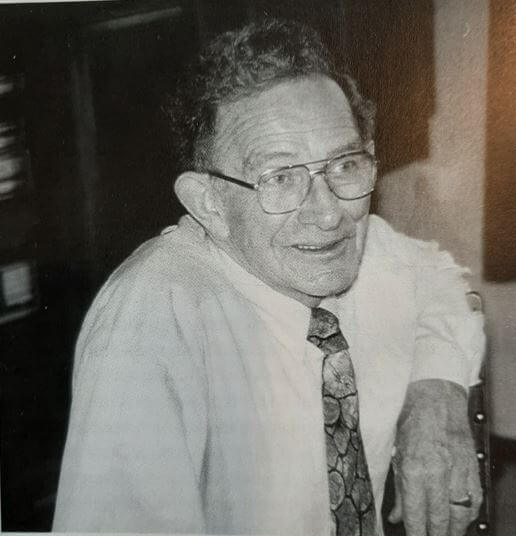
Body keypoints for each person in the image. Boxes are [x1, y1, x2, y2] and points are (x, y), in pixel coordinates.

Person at [53, 18, 485, 536]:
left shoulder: (363, 252)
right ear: (209, 203)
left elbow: (442, 279)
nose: (328, 213)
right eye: (280, 178)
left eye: (345, 165)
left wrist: (434, 392)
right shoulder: (152, 319)